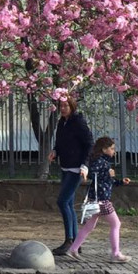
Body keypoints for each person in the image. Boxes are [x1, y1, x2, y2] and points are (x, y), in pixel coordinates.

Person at [67, 136, 132, 263]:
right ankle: (116, 253)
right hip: (102, 199)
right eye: (112, 148)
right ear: (104, 149)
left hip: (96, 198)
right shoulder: (100, 162)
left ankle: (73, 249)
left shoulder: (103, 161)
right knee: (116, 224)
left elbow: (107, 181)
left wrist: (120, 182)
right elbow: (93, 173)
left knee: (89, 226)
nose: (114, 151)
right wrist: (107, 173)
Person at [47, 96, 94, 256]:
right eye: (61, 105)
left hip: (76, 168)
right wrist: (55, 151)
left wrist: (85, 165)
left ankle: (69, 240)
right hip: (65, 166)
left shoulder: (78, 122)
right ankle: (76, 242)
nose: (63, 108)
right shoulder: (62, 122)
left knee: (62, 201)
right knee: (69, 203)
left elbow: (89, 144)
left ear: (72, 107)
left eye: (66, 105)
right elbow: (60, 142)